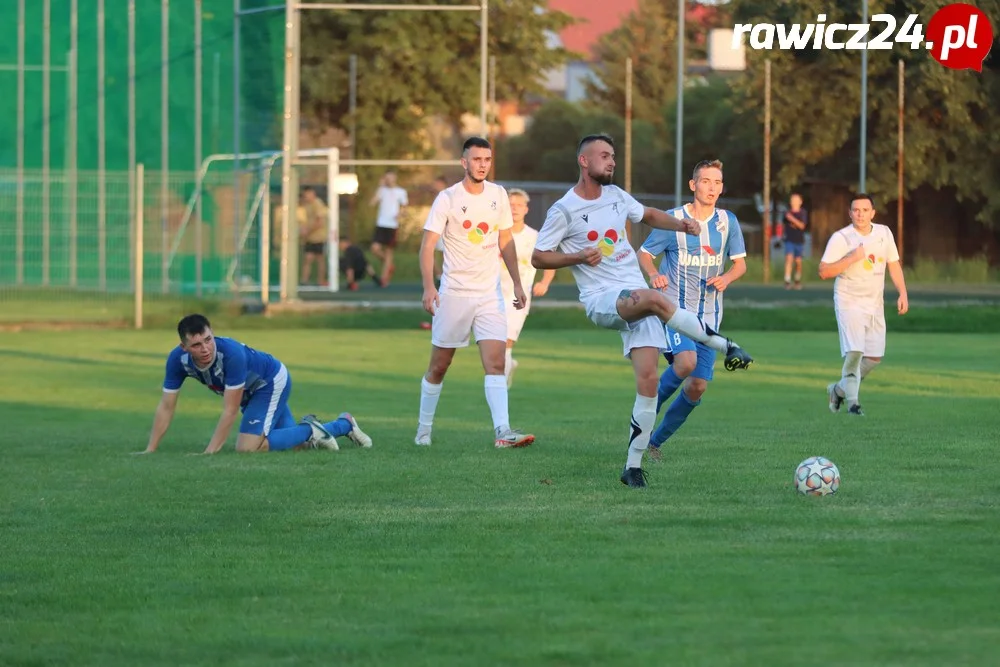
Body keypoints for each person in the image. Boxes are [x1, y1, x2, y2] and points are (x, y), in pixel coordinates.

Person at [531, 134, 753, 489]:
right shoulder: (564, 209)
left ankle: (632, 468)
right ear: (584, 161)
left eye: (613, 156)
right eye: (604, 156)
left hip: (636, 298)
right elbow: (538, 256)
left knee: (648, 382)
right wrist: (576, 257)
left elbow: (647, 214)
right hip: (604, 298)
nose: (612, 161)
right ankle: (727, 346)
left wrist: (681, 224)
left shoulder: (617, 197)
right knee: (653, 298)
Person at [415, 137, 535, 449]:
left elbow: (505, 241)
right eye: (476, 159)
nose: (482, 164)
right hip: (454, 294)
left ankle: (503, 432)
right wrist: (429, 287)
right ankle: (423, 430)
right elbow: (428, 245)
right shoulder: (447, 198)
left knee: (496, 363)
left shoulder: (498, 194)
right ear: (464, 162)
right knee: (439, 366)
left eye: (487, 159)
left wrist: (518, 284)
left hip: (489, 295)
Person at [637, 159, 747, 463]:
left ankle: (654, 443)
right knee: (685, 363)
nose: (712, 188)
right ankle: (644, 414)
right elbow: (644, 254)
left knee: (697, 386)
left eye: (717, 183)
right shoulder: (674, 220)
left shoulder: (727, 222)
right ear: (693, 185)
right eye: (706, 181)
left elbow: (740, 264)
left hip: (709, 318)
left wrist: (726, 277)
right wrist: (652, 274)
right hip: (675, 312)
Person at [140, 314, 372, 454]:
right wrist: (151, 449)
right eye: (197, 345)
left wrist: (210, 452)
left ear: (213, 335)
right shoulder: (177, 361)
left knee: (248, 447)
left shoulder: (231, 354)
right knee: (292, 447)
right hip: (250, 393)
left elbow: (230, 410)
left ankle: (312, 429)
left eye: (208, 340)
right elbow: (166, 406)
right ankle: (343, 425)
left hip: (270, 382)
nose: (206, 349)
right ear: (184, 348)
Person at [818, 193, 908, 416]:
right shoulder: (841, 238)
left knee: (874, 358)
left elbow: (894, 264)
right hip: (849, 301)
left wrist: (903, 292)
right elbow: (823, 271)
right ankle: (853, 404)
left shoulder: (884, 233)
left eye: (865, 210)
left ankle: (838, 390)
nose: (860, 214)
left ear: (873, 213)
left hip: (875, 303)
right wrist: (851, 258)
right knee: (855, 352)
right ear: (850, 213)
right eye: (856, 210)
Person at [500, 188, 556, 388]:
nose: (514, 209)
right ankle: (505, 369)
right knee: (493, 343)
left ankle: (500, 386)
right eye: (510, 205)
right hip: (492, 295)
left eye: (518, 205)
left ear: (526, 209)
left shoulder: (534, 236)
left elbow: (549, 262)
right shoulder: (496, 234)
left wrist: (544, 282)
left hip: (518, 298)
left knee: (506, 341)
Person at [369, 171, 408, 286]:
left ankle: (384, 278)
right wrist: (380, 187)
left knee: (389, 252)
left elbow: (405, 209)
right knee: (374, 249)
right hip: (381, 224)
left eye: (391, 177)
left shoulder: (401, 192)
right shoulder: (382, 190)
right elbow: (372, 203)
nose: (389, 180)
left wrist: (400, 215)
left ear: (395, 178)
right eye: (387, 178)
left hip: (392, 225)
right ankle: (389, 265)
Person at [300, 186, 329, 286]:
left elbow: (320, 222)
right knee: (308, 258)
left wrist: (308, 231)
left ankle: (321, 280)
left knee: (320, 259)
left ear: (312, 193)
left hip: (319, 237)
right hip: (310, 237)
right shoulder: (307, 205)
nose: (306, 197)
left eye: (307, 195)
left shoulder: (317, 204)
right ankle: (304, 280)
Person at [783, 193, 809, 289]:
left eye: (796, 200)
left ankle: (797, 280)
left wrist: (792, 219)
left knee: (798, 261)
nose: (794, 202)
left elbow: (802, 226)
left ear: (800, 202)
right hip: (789, 240)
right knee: (789, 259)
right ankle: (787, 281)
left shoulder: (802, 213)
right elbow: (784, 225)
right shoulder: (787, 213)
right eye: (792, 200)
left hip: (799, 240)